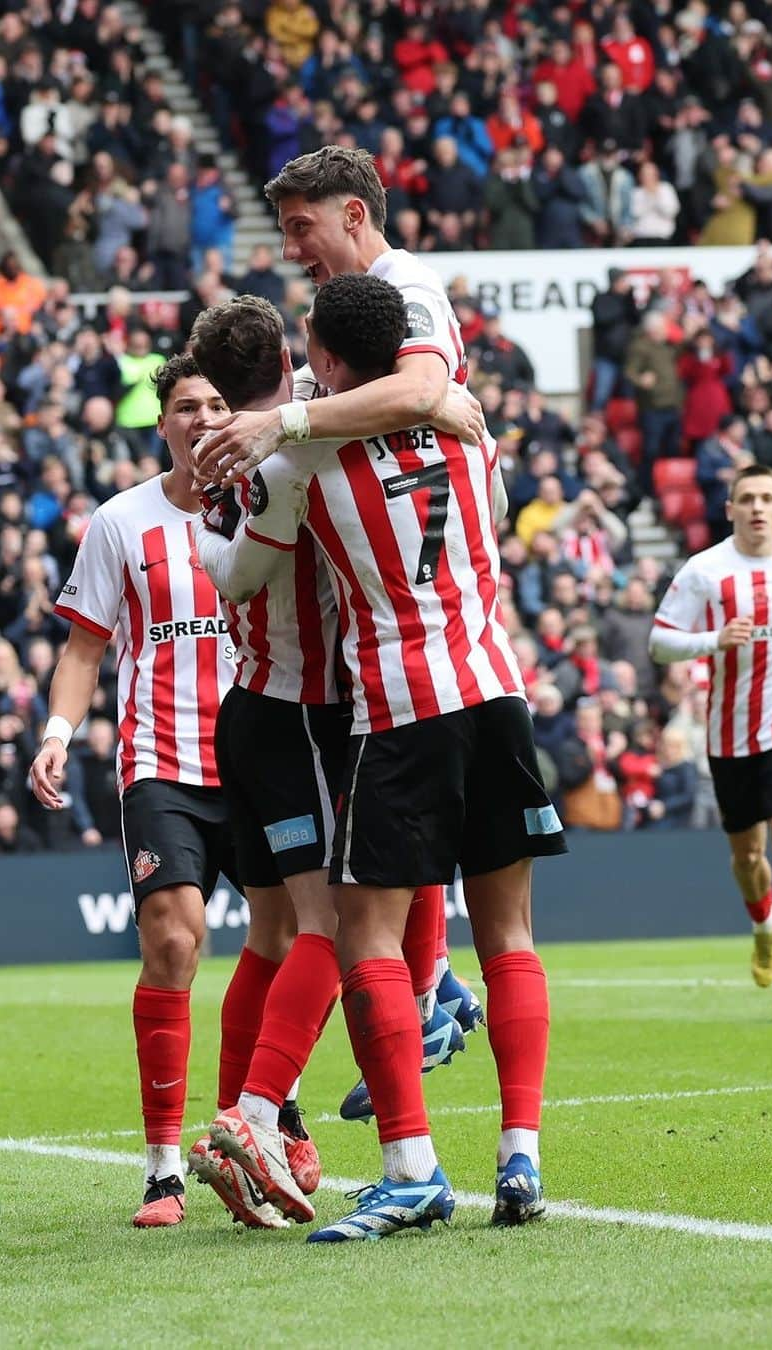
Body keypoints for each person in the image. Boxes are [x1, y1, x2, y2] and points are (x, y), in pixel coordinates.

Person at [202, 264, 565, 1241]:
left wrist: (209, 520)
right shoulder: (465, 422)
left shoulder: (297, 464)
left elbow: (242, 575)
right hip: (497, 689)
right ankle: (520, 1157)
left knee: (361, 936)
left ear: (320, 357)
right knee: (509, 938)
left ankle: (411, 1167)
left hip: (400, 711)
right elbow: (488, 520)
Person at [28, 354, 294, 1230]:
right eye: (187, 405)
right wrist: (58, 735)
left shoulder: (273, 495)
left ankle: (245, 1125)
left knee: (283, 945)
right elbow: (82, 651)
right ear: (165, 424)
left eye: (219, 402)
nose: (204, 416)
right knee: (174, 941)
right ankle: (163, 1168)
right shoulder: (119, 522)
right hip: (163, 763)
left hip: (265, 759)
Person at [649, 465, 772, 1017]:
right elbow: (659, 643)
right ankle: (764, 922)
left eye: (766, 498)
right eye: (746, 498)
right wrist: (712, 640)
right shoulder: (705, 571)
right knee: (748, 857)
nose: (756, 508)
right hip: (728, 733)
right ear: (730, 509)